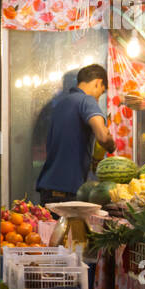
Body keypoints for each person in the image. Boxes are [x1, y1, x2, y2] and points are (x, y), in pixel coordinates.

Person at [35, 63, 117, 205]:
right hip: (66, 193)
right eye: (101, 93)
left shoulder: (60, 104)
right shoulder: (87, 100)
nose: (98, 99)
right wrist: (111, 145)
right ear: (98, 83)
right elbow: (102, 136)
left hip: (47, 190)